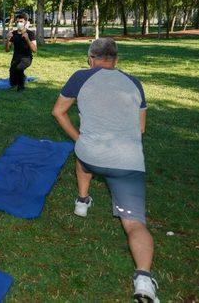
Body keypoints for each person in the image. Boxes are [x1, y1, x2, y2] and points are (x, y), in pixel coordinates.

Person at [51, 38, 158, 303]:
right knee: (134, 224)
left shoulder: (80, 77)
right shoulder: (134, 83)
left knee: (83, 154)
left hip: (91, 154)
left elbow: (58, 112)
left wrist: (79, 139)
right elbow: (141, 128)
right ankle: (144, 279)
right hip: (127, 161)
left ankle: (82, 201)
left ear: (90, 59)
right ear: (116, 60)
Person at [4, 13, 37, 90]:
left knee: (19, 68)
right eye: (18, 21)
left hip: (27, 58)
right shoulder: (13, 34)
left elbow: (34, 50)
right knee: (12, 83)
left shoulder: (30, 34)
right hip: (16, 58)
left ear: (25, 22)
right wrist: (8, 39)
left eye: (21, 21)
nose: (19, 23)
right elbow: (7, 50)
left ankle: (21, 87)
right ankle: (23, 77)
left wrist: (27, 39)